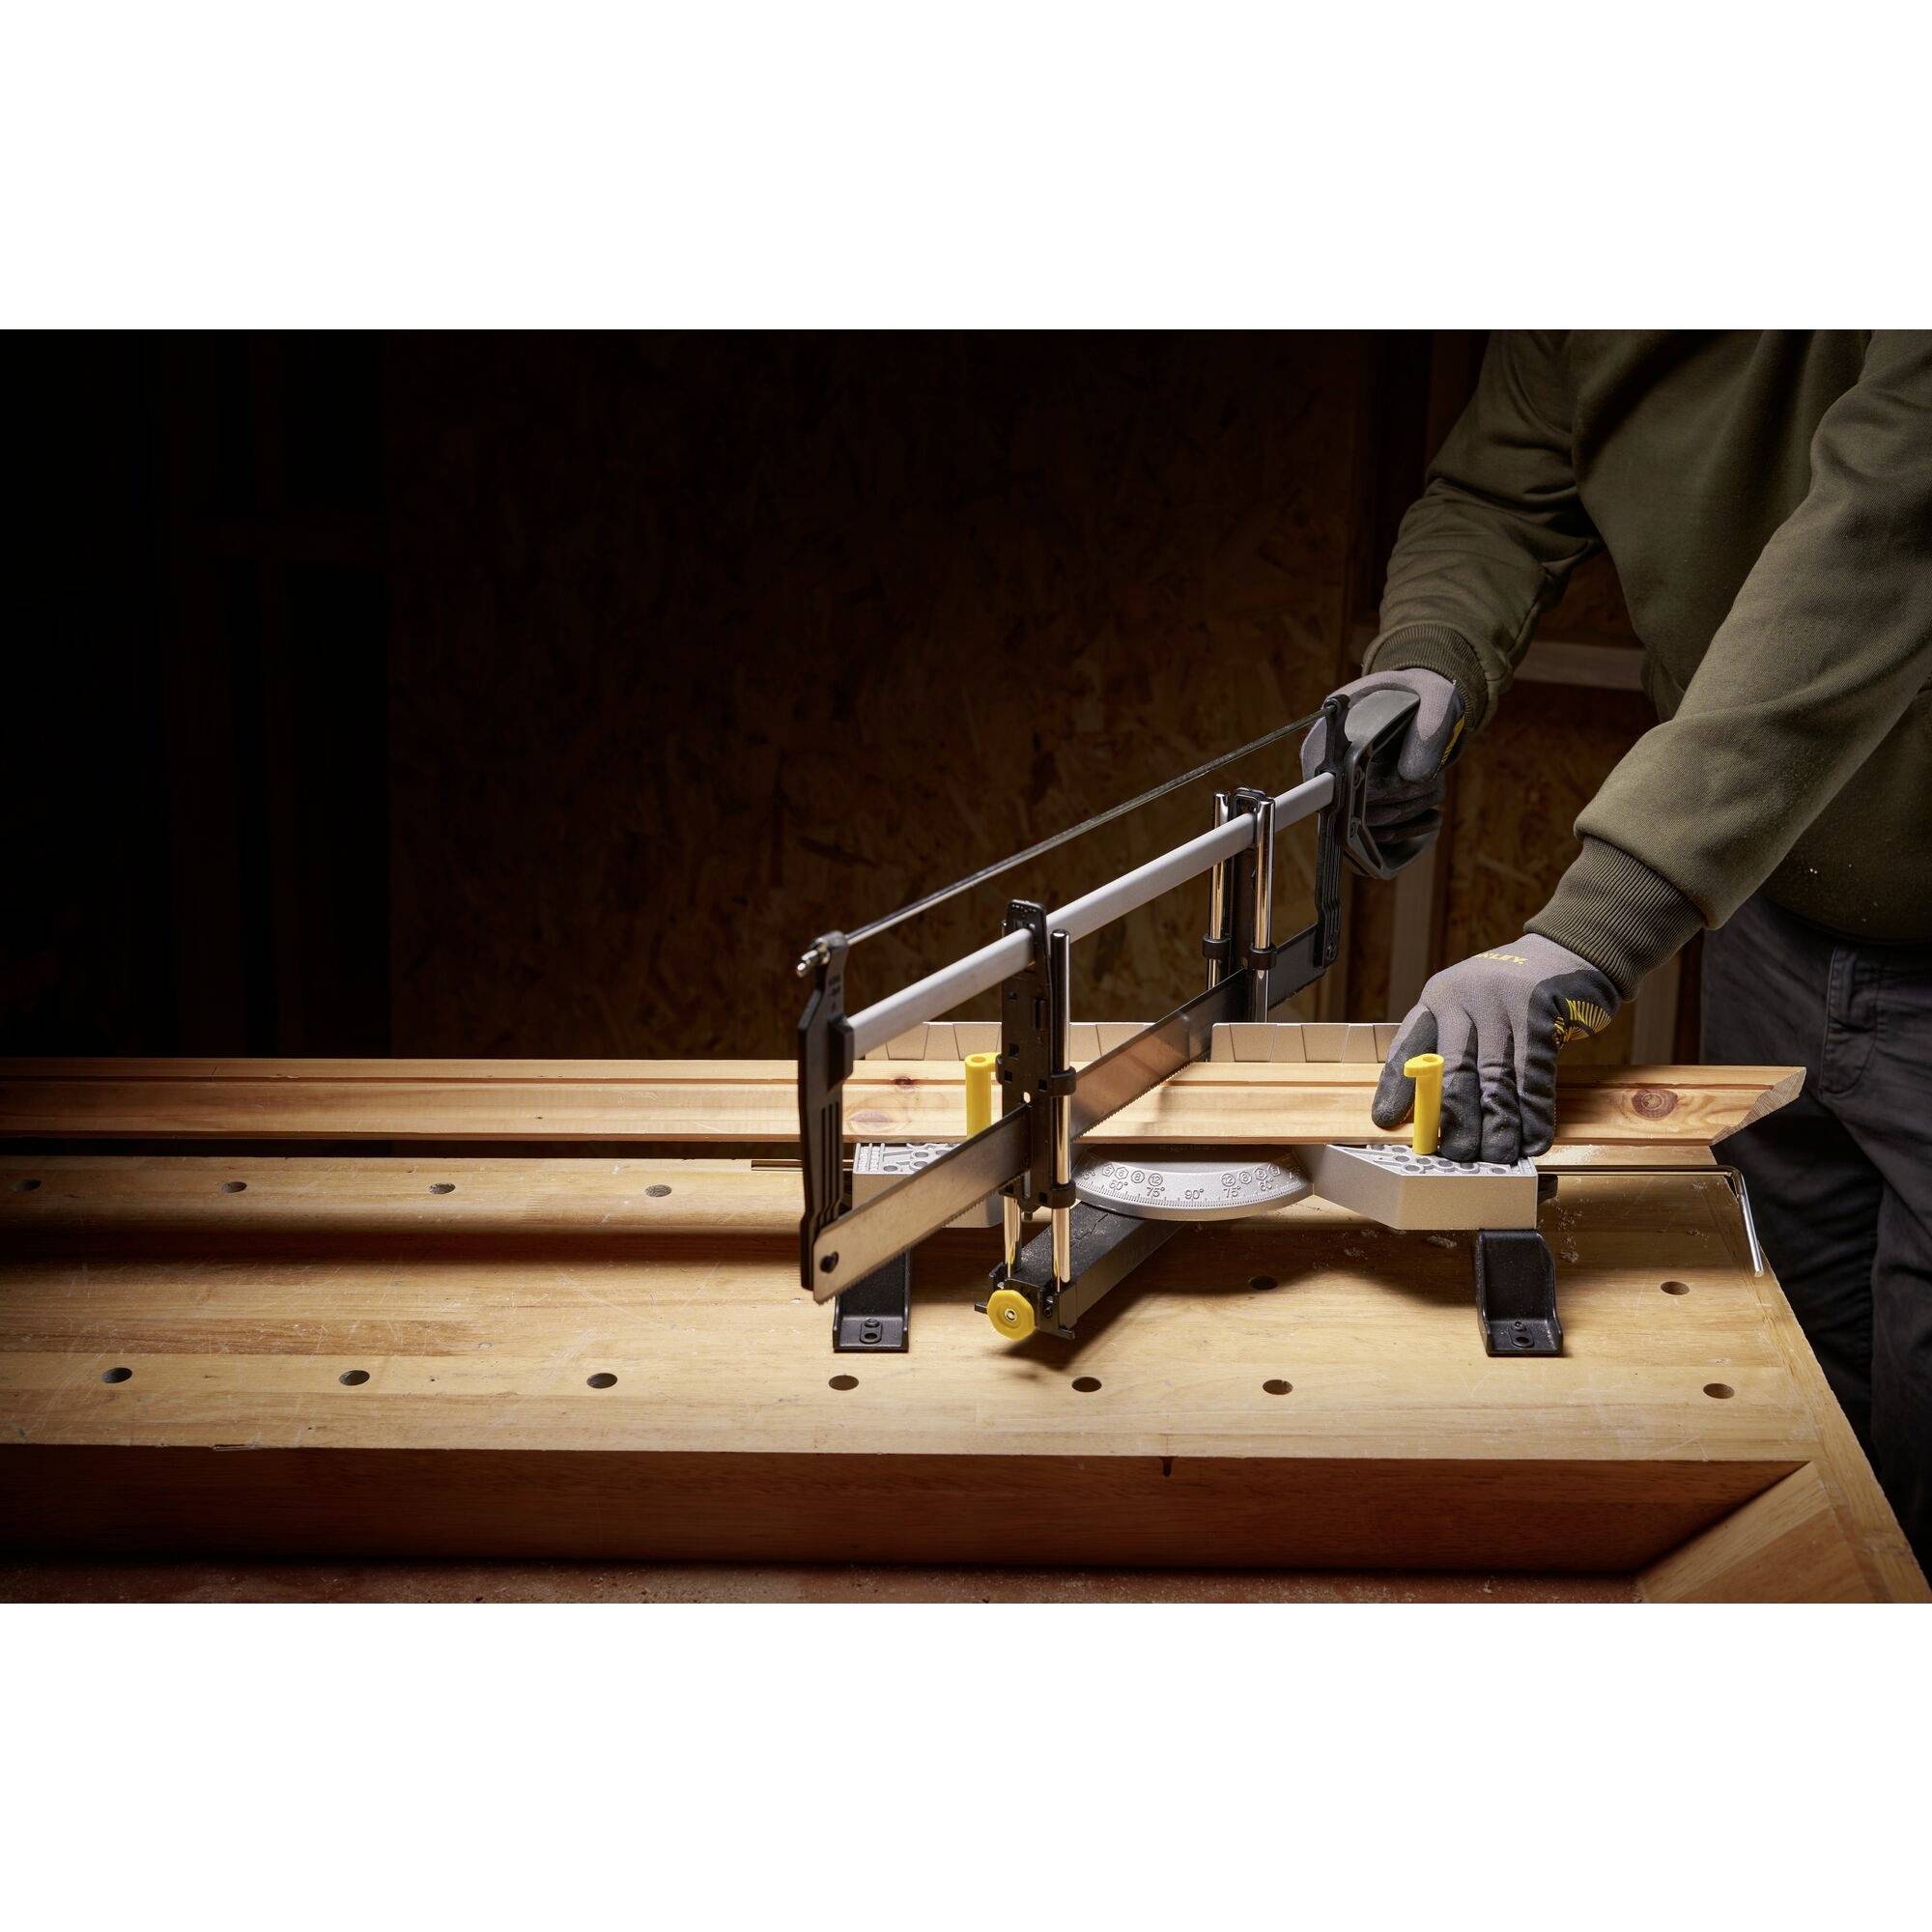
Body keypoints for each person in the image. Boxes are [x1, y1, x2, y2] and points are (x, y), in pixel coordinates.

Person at [1304, 331, 1931, 1569]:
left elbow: (1878, 546)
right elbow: (1495, 489)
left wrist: (1585, 931)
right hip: (1772, 910)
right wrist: (1426, 657)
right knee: (1788, 1384)